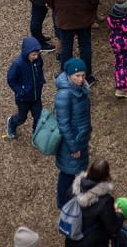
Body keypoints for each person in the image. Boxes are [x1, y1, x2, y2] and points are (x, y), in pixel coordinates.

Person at [54, 58, 92, 208]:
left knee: (78, 171)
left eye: (83, 75)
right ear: (69, 75)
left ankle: (74, 195)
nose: (81, 79)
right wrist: (73, 147)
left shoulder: (80, 89)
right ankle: (62, 203)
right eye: (77, 76)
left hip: (80, 138)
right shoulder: (64, 95)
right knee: (67, 173)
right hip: (72, 143)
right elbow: (63, 124)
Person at [6, 36, 46, 140]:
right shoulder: (18, 64)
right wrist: (21, 91)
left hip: (36, 96)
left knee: (38, 116)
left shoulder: (38, 60)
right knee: (22, 118)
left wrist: (41, 80)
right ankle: (12, 122)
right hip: (23, 98)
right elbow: (11, 79)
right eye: (33, 54)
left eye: (38, 53)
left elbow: (40, 69)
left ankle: (35, 134)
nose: (36, 56)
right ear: (26, 53)